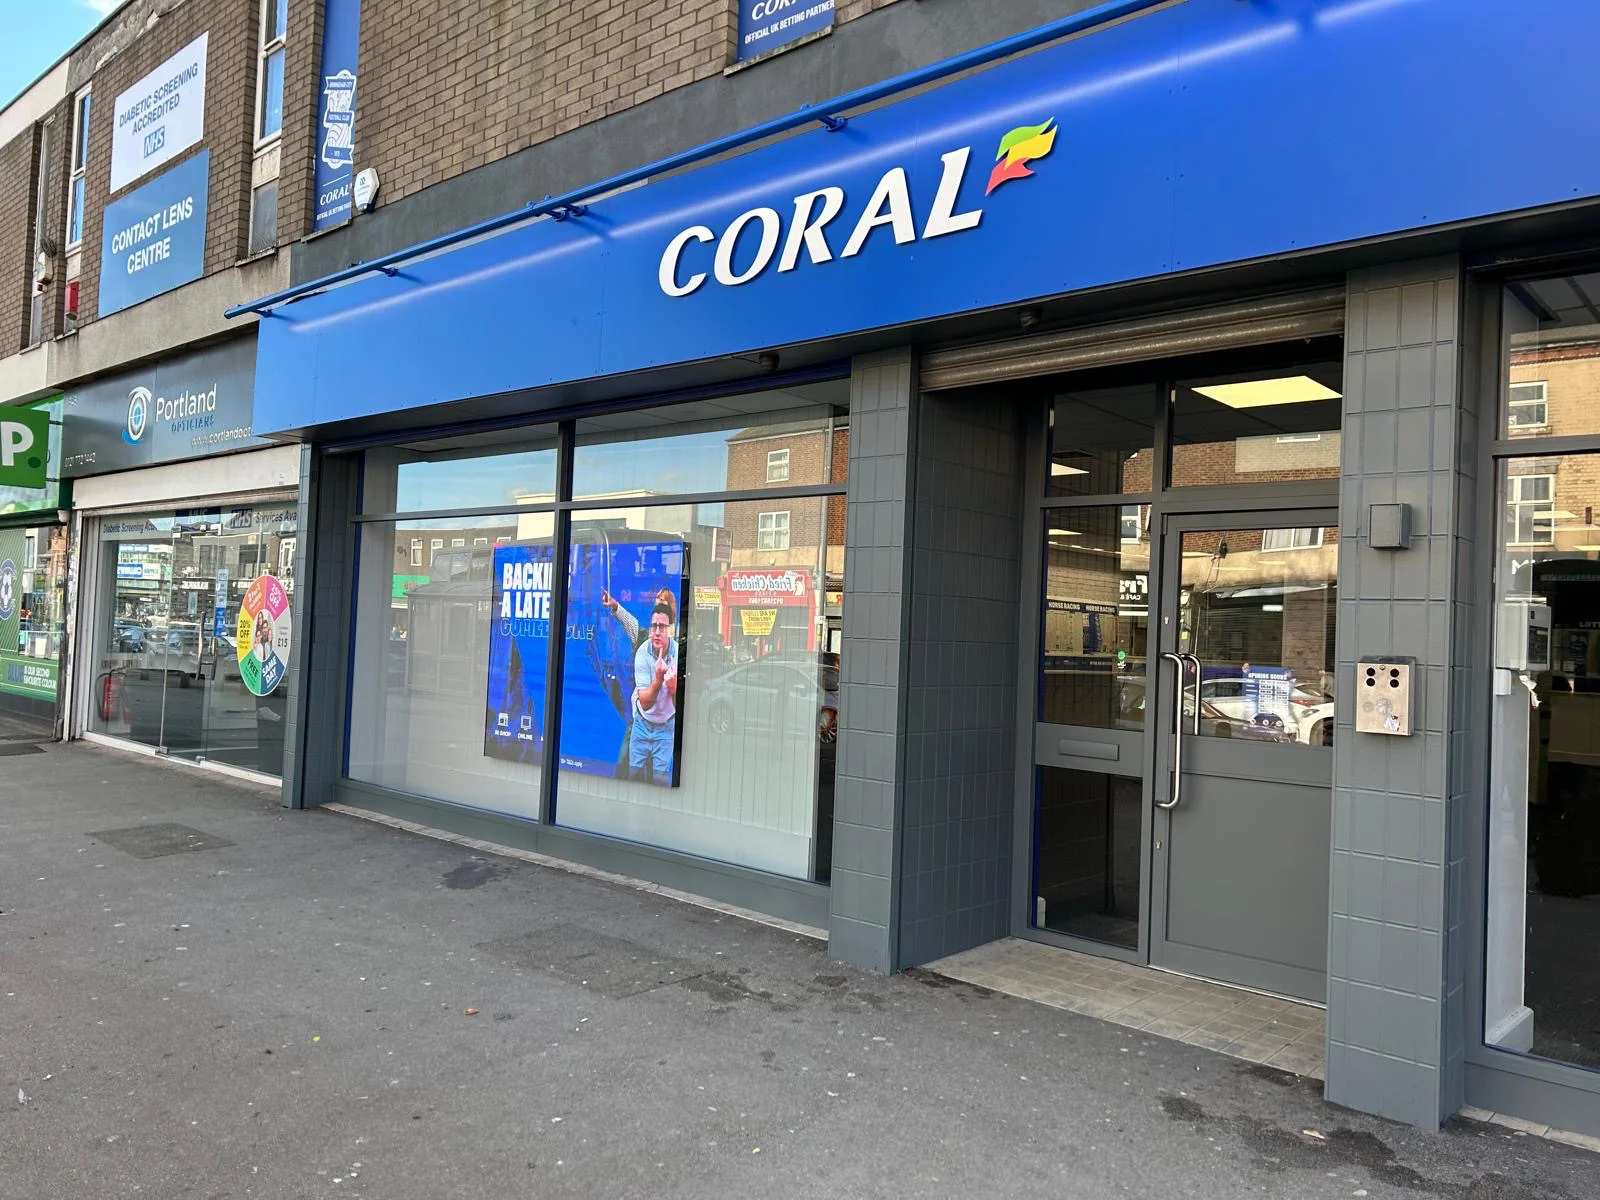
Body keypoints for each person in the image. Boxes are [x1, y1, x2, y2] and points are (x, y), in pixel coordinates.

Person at [628, 602, 678, 785]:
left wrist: (673, 689)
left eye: (662, 627)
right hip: (642, 723)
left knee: (660, 781)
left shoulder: (678, 653)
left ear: (670, 630)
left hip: (666, 727)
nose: (657, 631)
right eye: (654, 626)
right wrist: (658, 679)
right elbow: (645, 702)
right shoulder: (642, 652)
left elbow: (681, 706)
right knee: (633, 776)